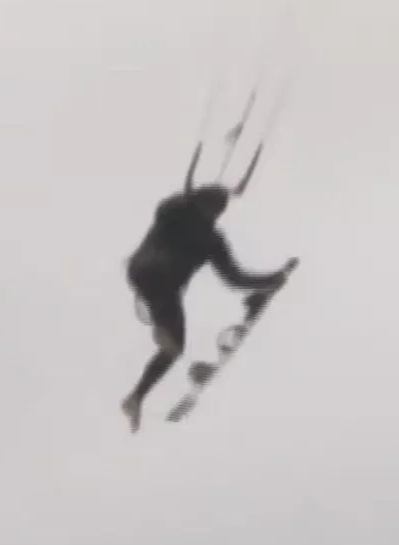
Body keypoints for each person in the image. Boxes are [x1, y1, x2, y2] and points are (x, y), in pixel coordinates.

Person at [120, 147, 293, 432]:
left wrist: (270, 280)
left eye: (218, 210)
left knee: (175, 349)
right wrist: (271, 281)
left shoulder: (212, 239)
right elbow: (169, 207)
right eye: (209, 206)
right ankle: (159, 342)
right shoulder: (174, 213)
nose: (214, 213)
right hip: (150, 272)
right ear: (196, 201)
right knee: (166, 309)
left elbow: (233, 277)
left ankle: (136, 397)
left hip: (160, 285)